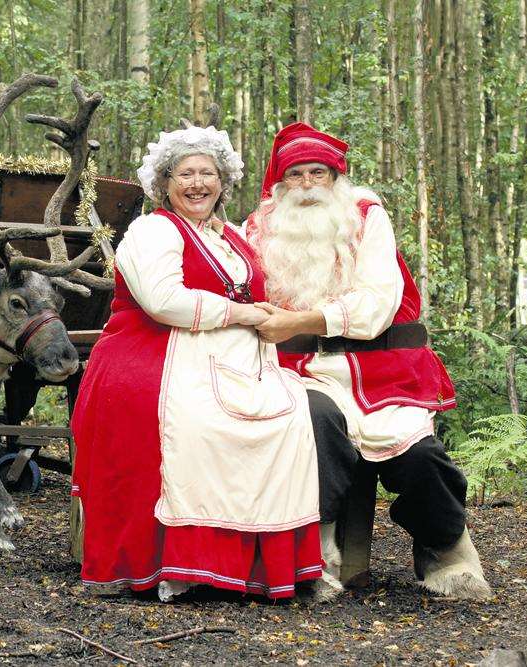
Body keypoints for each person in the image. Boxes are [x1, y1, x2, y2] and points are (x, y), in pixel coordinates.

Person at [71, 125, 323, 601]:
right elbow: (163, 300)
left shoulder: (230, 236)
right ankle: (186, 561)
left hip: (229, 361)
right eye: (185, 173)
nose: (197, 183)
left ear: (222, 183)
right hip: (152, 353)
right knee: (197, 423)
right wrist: (244, 314)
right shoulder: (153, 230)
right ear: (165, 183)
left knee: (292, 419)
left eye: (207, 173)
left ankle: (252, 563)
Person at [246, 122, 492, 601]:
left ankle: (445, 547)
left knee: (420, 456)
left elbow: (378, 303)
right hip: (300, 372)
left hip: (380, 371)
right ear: (279, 183)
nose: (307, 184)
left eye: (318, 172)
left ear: (337, 178)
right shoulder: (256, 227)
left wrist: (305, 320)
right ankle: (315, 554)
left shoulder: (365, 216)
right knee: (312, 429)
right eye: (295, 174)